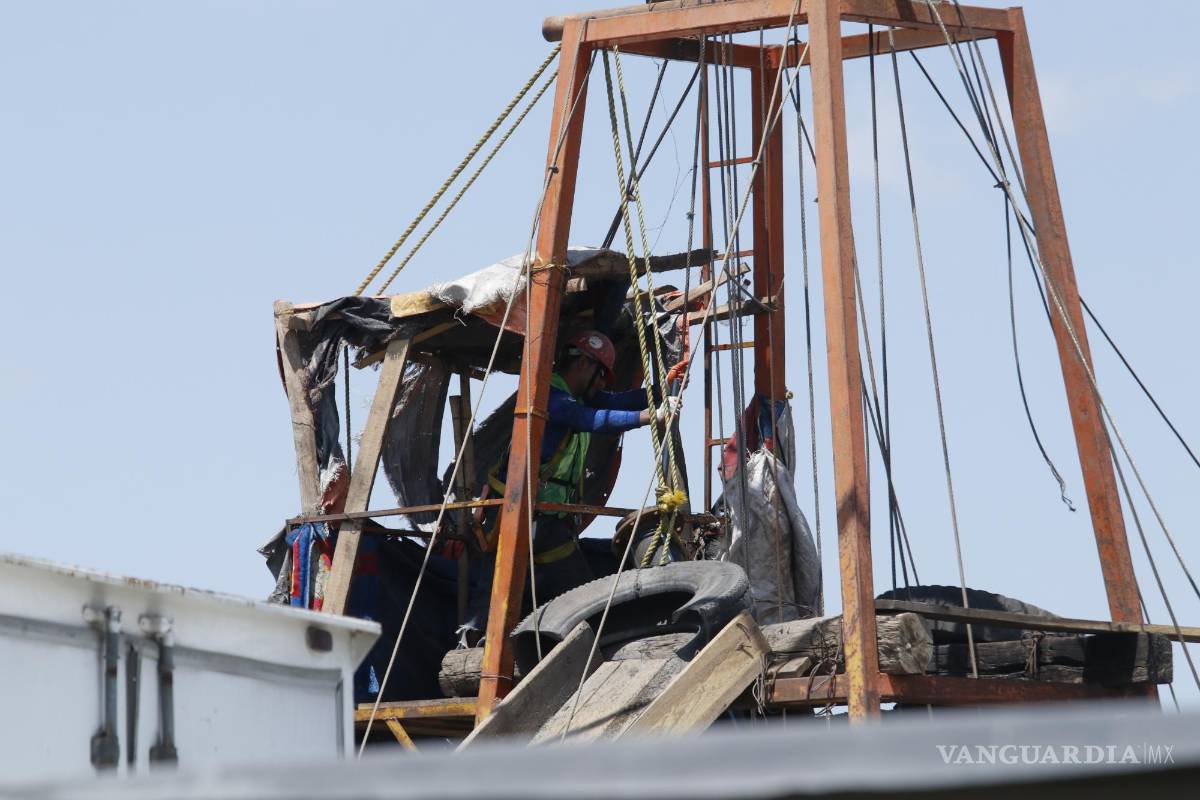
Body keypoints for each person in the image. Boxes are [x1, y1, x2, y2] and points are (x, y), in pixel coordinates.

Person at [461, 330, 679, 640]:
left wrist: (662, 388)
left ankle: (571, 644)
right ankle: (474, 645)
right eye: (601, 374)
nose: (603, 383)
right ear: (583, 366)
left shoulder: (577, 395)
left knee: (572, 593)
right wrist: (650, 417)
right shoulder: (548, 395)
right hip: (519, 515)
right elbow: (593, 419)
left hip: (549, 521)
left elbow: (615, 400)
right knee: (501, 587)